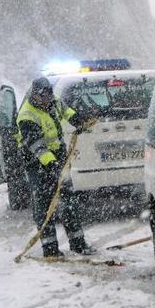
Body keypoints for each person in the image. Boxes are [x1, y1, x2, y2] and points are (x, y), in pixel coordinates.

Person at [16, 77, 97, 257]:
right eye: (43, 97)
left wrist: (80, 120)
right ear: (35, 96)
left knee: (69, 203)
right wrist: (50, 164)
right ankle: (51, 250)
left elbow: (67, 112)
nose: (47, 100)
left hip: (58, 159)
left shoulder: (53, 102)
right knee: (45, 207)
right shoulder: (27, 116)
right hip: (36, 164)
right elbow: (36, 145)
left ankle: (78, 244)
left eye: (48, 96)